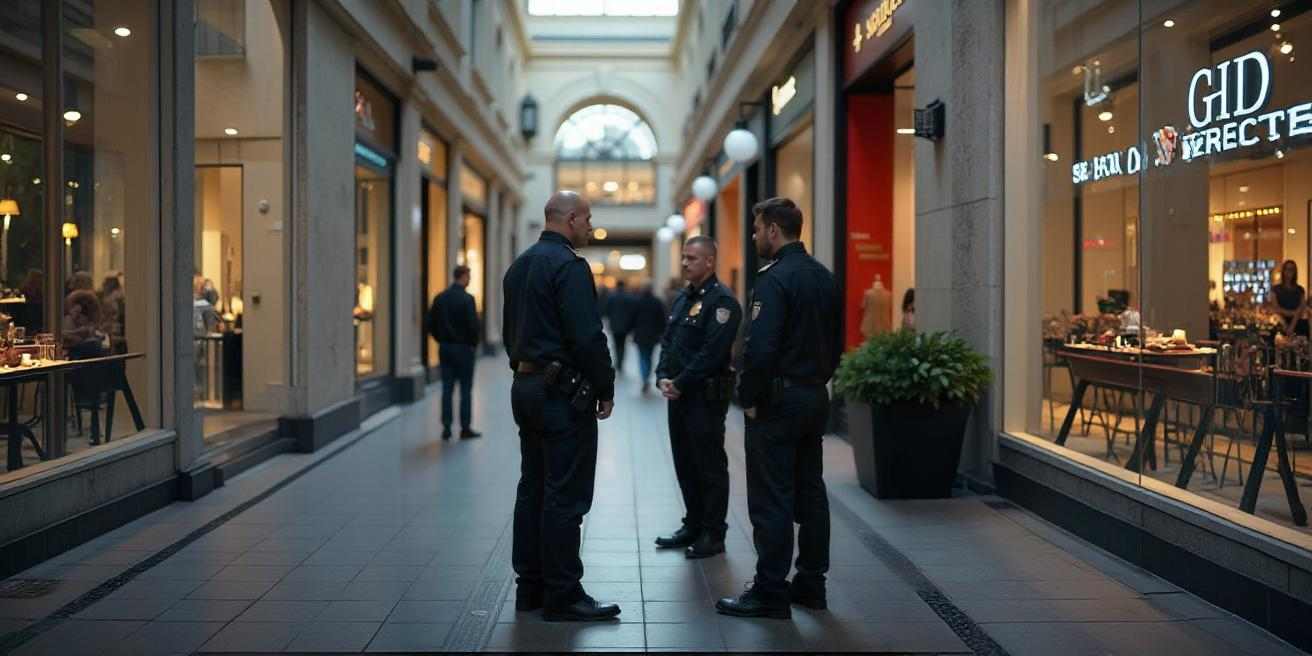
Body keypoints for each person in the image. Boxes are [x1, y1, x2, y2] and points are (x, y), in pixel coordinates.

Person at [718, 197, 839, 620]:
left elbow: (760, 348)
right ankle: (811, 583)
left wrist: (748, 398)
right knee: (811, 491)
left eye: (755, 230)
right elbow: (836, 343)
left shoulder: (774, 279)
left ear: (773, 229)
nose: (753, 238)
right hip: (813, 395)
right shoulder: (824, 277)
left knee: (772, 496)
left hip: (777, 400)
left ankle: (770, 590)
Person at [502, 190, 620, 622]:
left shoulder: (518, 267)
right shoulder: (569, 267)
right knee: (564, 494)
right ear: (569, 219)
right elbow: (588, 337)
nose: (590, 226)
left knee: (532, 486)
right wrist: (606, 387)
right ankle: (563, 593)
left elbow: (508, 332)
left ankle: (529, 587)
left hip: (526, 386)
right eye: (587, 218)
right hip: (560, 396)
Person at [654, 236, 741, 559]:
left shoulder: (723, 303)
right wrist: (662, 376)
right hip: (678, 396)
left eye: (692, 258)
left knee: (709, 466)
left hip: (704, 398)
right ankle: (692, 523)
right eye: (684, 258)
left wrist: (680, 382)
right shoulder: (682, 299)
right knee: (684, 463)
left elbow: (711, 353)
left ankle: (713, 533)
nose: (685, 263)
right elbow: (668, 341)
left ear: (709, 262)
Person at [429, 264, 483, 440]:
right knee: (465, 390)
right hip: (464, 349)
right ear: (463, 277)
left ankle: (446, 427)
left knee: (447, 389)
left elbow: (430, 324)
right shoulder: (468, 299)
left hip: (445, 348)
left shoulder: (440, 298)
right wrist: (473, 344)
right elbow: (473, 327)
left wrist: (441, 339)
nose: (470, 280)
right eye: (469, 276)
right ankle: (465, 428)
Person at [631, 284, 667, 394]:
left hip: (640, 334)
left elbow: (632, 318)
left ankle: (644, 377)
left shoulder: (637, 301)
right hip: (652, 335)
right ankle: (646, 377)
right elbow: (662, 319)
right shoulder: (657, 302)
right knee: (649, 357)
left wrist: (632, 330)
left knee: (642, 356)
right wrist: (661, 332)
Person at [1270, 259, 1308, 337]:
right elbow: (1276, 308)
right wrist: (1285, 324)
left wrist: (1291, 326)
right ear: (1283, 271)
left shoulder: (1300, 290)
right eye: (1287, 269)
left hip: (1297, 321)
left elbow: (1301, 308)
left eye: (1292, 269)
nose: (1289, 271)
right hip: (1280, 321)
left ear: (1295, 272)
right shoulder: (1275, 289)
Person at [605, 280, 635, 376]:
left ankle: (618, 362)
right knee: (622, 345)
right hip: (625, 326)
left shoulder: (611, 297)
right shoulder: (628, 297)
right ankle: (620, 362)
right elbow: (632, 312)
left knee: (616, 344)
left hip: (614, 325)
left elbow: (607, 311)